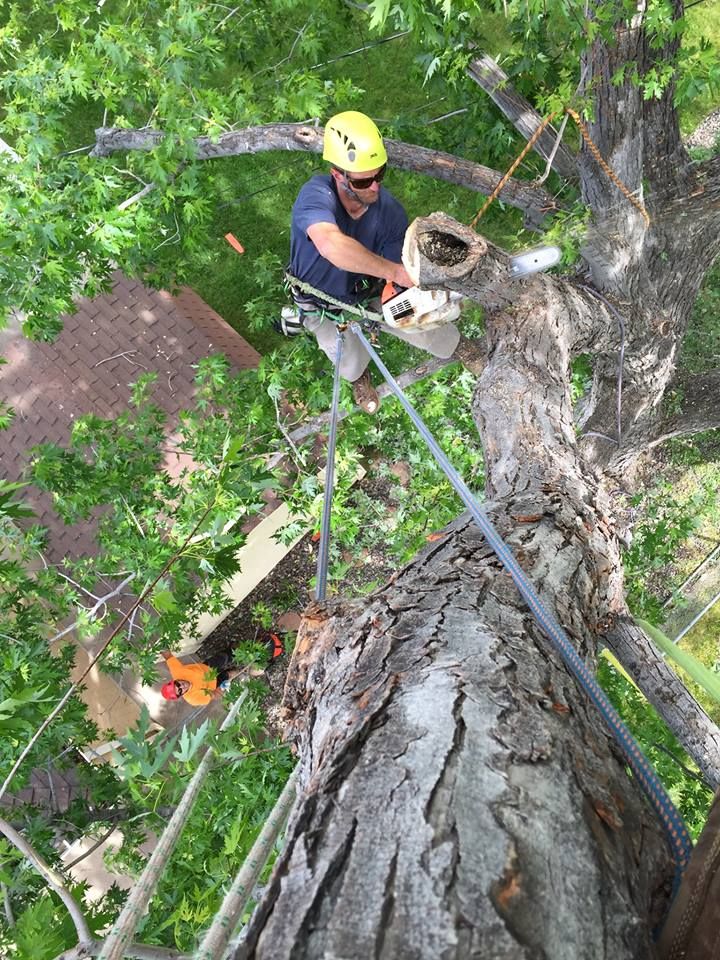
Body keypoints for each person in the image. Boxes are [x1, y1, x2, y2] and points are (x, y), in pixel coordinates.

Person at [288, 110, 481, 414]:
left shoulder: (389, 213)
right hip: (321, 303)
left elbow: (397, 274)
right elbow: (329, 244)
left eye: (380, 175)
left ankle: (459, 347)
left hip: (371, 291)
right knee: (344, 356)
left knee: (419, 322)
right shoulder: (316, 195)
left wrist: (409, 289)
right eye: (366, 181)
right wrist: (392, 271)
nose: (376, 187)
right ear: (339, 175)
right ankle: (358, 378)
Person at [158, 649, 241, 706]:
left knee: (225, 656)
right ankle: (242, 670)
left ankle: (239, 651)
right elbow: (214, 695)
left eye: (177, 684)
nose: (182, 686)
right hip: (215, 684)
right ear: (181, 695)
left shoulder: (177, 671)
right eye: (180, 691)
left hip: (208, 668)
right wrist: (222, 688)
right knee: (230, 674)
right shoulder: (193, 699)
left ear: (175, 680)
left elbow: (167, 655)